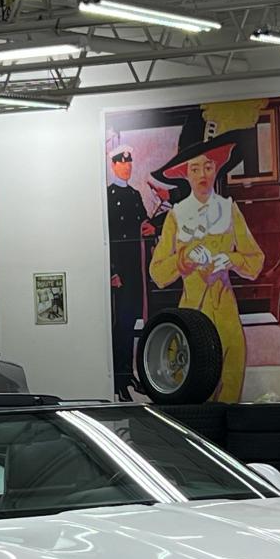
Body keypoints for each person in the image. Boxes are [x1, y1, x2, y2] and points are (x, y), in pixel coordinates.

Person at [149, 134, 264, 404]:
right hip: (190, 315)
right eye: (195, 168)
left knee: (231, 382)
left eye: (208, 167)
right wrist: (184, 257)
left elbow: (255, 260)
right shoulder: (176, 215)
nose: (202, 174)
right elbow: (157, 273)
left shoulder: (229, 209)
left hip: (226, 314)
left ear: (217, 169)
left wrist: (232, 259)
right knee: (191, 390)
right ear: (185, 174)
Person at [106, 137, 154, 399]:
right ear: (113, 166)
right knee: (120, 326)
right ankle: (119, 380)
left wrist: (151, 226)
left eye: (129, 163)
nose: (127, 167)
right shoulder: (108, 197)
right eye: (122, 163)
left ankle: (128, 373)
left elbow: (144, 221)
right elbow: (105, 237)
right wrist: (112, 271)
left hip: (136, 270)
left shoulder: (135, 195)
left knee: (132, 322)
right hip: (120, 273)